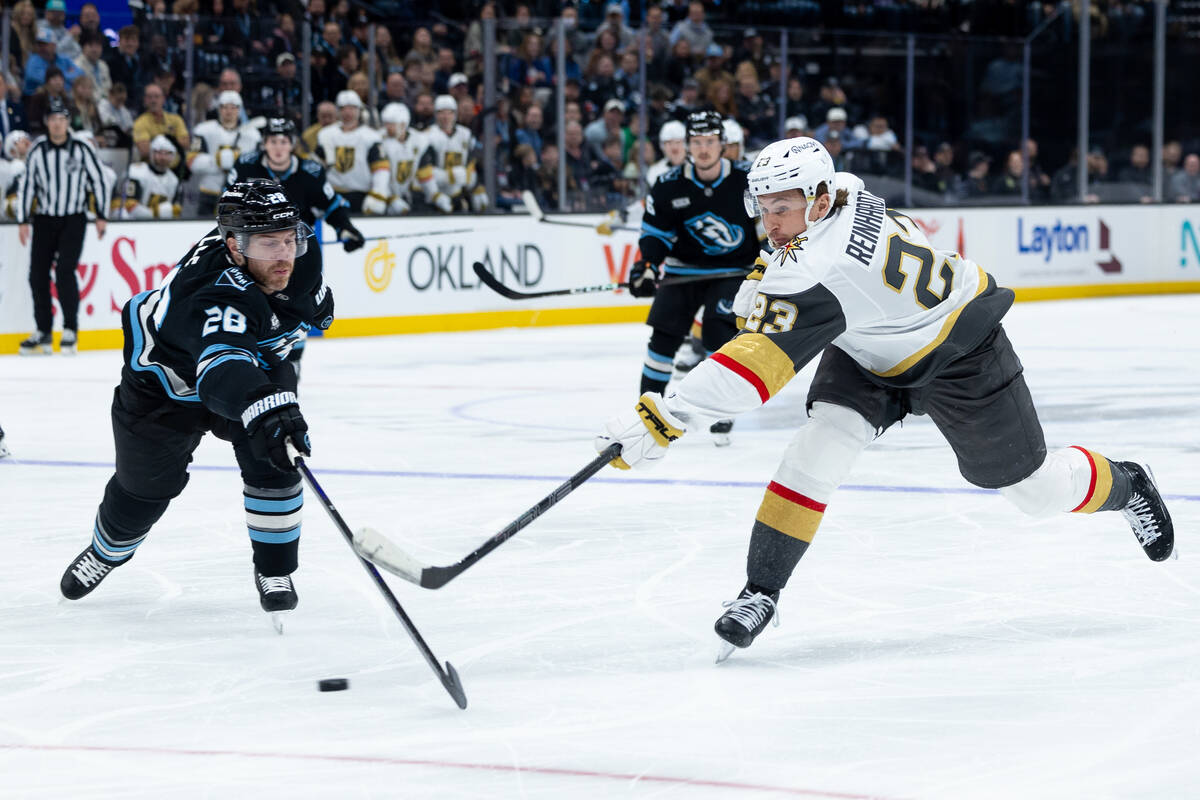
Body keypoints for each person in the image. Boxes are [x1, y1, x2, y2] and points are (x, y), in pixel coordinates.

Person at [595, 137, 1176, 660]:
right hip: (869, 346)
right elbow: (799, 248)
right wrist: (767, 265)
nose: (771, 222)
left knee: (1036, 492)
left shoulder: (818, 271)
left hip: (961, 350)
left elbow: (753, 373)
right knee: (817, 448)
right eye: (764, 208)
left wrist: (663, 418)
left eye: (783, 209)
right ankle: (761, 592)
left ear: (817, 202)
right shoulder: (844, 193)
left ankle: (1127, 483)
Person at [58, 179, 334, 630]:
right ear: (234, 246)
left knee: (276, 453)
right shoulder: (211, 291)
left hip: (253, 364)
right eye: (270, 243)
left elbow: (306, 302)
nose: (285, 254)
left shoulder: (294, 256)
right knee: (143, 491)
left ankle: (275, 568)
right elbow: (221, 366)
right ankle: (106, 551)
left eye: (290, 239)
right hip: (163, 386)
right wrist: (262, 402)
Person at [627, 110, 760, 446]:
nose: (704, 149)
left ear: (722, 144)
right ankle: (648, 409)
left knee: (719, 332)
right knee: (663, 338)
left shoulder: (747, 179)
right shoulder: (669, 184)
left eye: (710, 142)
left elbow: (768, 226)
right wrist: (647, 265)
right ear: (687, 145)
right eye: (697, 142)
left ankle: (721, 407)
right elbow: (655, 234)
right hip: (683, 271)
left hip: (733, 273)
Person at [16, 98, 111, 356]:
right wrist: (23, 219)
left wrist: (101, 214)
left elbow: (98, 180)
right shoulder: (37, 151)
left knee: (65, 271)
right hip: (45, 219)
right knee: (37, 274)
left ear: (68, 122)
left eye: (62, 119)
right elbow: (27, 186)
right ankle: (44, 330)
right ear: (47, 123)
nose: (57, 124)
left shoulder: (81, 148)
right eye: (53, 119)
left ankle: (70, 328)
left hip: (73, 218)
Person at [229, 117, 365, 255]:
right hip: (256, 246)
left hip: (297, 247)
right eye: (273, 142)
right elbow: (229, 204)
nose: (278, 148)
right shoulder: (245, 167)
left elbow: (332, 205)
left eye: (284, 142)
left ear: (292, 144)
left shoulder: (310, 172)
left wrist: (345, 228)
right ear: (264, 144)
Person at [187, 90, 262, 216]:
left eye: (233, 107)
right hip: (209, 192)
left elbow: (258, 167)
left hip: (240, 194)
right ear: (219, 109)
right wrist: (216, 161)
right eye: (225, 107)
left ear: (239, 109)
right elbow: (191, 162)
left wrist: (237, 163)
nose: (229, 111)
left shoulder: (252, 135)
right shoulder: (204, 130)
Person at [315, 90, 389, 213]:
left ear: (359, 110)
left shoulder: (372, 137)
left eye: (352, 108)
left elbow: (381, 170)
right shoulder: (325, 135)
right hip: (332, 195)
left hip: (361, 196)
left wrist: (377, 195)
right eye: (343, 108)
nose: (347, 112)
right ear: (338, 111)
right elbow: (317, 168)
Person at [420, 94, 487, 213]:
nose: (445, 117)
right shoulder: (427, 136)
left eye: (449, 112)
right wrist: (448, 177)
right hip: (434, 195)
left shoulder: (466, 134)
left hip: (458, 194)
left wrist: (476, 187)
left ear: (455, 114)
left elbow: (472, 164)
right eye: (441, 112)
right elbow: (422, 171)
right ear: (436, 114)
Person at [115, 135, 181, 219]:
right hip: (132, 223)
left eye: (167, 154)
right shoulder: (135, 172)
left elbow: (174, 211)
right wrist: (155, 213)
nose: (163, 158)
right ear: (151, 153)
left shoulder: (174, 180)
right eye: (159, 153)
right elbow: (129, 205)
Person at [379, 103, 428, 215]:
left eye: (391, 124)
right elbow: (377, 176)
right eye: (386, 123)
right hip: (386, 196)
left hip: (410, 194)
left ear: (403, 124)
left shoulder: (420, 140)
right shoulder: (379, 140)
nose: (388, 128)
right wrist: (390, 198)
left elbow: (423, 170)